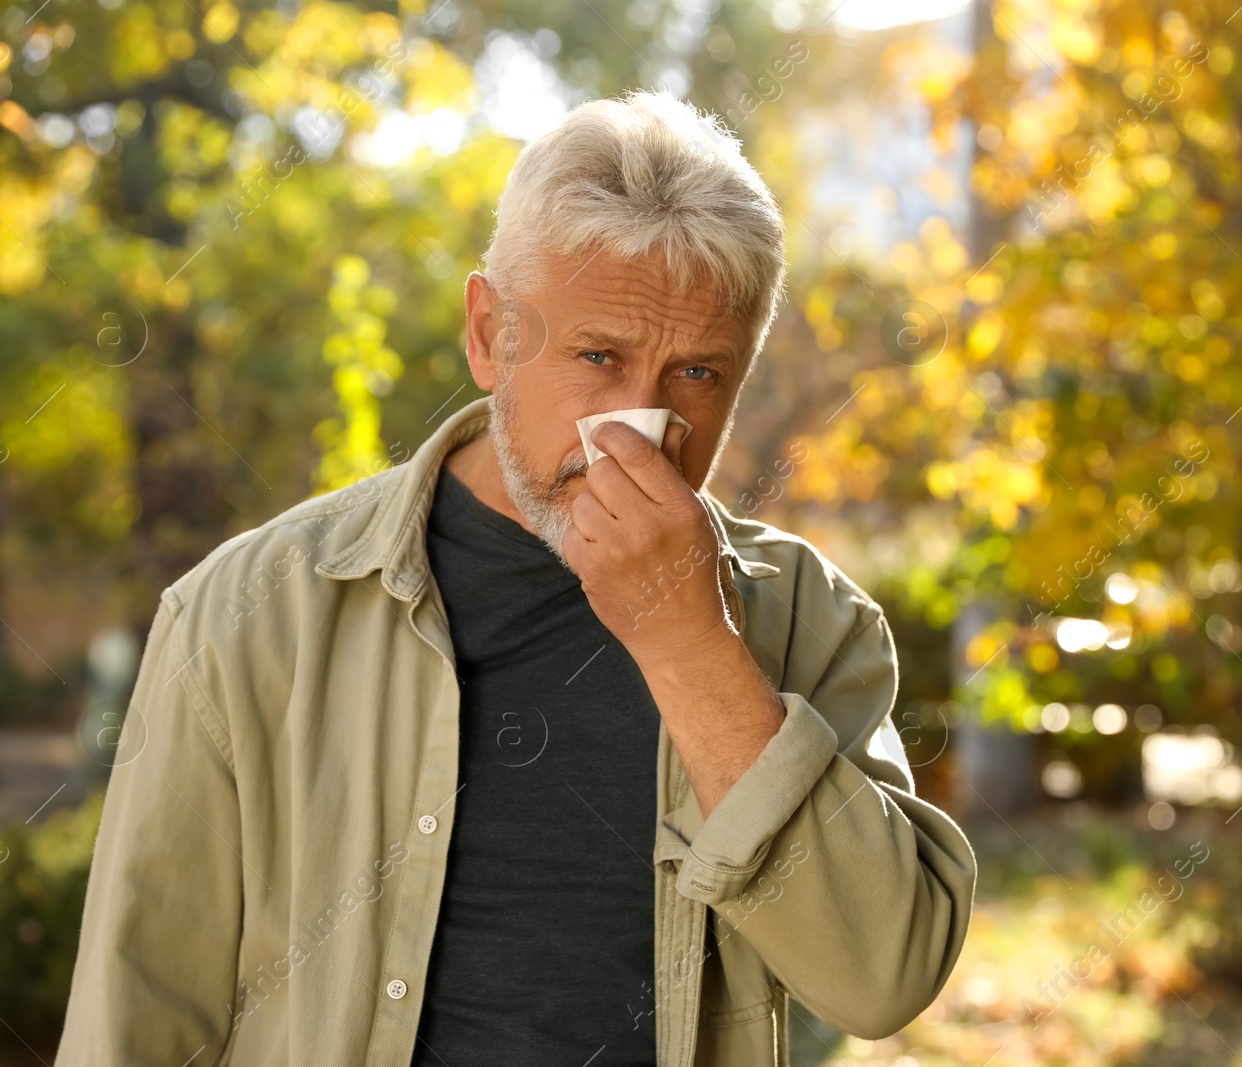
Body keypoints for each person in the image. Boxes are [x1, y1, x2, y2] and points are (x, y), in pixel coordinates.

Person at [55, 90, 976, 1067]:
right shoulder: (243, 612)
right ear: (489, 333)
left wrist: (691, 642)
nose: (639, 423)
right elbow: (137, 1015)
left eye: (696, 374)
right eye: (597, 355)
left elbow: (881, 976)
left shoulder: (810, 618)